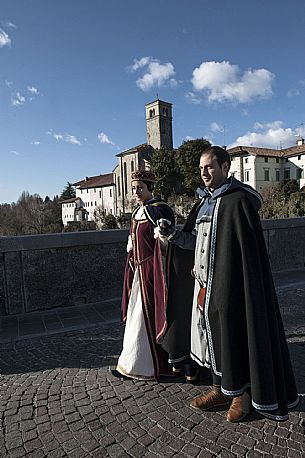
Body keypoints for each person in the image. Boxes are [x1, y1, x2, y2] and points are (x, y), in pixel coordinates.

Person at [157, 146, 299, 422]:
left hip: (231, 287)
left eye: (210, 167)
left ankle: (240, 396)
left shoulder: (238, 202)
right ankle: (219, 388)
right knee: (212, 342)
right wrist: (172, 234)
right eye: (201, 168)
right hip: (203, 286)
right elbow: (194, 241)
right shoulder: (202, 203)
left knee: (234, 338)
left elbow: (244, 254)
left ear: (225, 167)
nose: (204, 173)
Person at [113, 170, 175, 381]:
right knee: (135, 318)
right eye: (133, 188)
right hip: (138, 270)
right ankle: (130, 363)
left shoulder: (160, 210)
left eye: (140, 187)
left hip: (152, 271)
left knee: (146, 316)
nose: (136, 192)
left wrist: (164, 235)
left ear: (150, 188)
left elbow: (167, 242)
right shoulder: (136, 213)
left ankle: (153, 367)